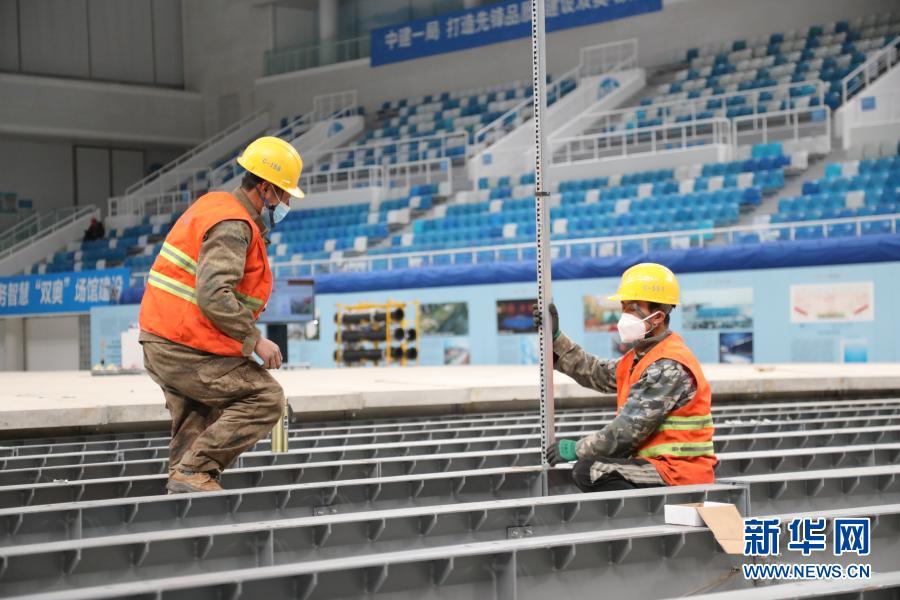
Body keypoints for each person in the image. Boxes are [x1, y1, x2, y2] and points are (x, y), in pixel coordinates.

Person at [138, 136, 305, 494]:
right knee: (265, 398)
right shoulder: (233, 223)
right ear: (265, 188)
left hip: (168, 339)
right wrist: (254, 340)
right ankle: (194, 471)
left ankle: (186, 484)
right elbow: (214, 293)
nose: (287, 204)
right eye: (285, 195)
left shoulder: (214, 205)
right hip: (182, 344)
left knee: (196, 419)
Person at [533, 263, 716, 493]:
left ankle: (650, 514)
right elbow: (598, 373)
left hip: (680, 473)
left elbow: (627, 431)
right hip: (660, 467)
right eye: (624, 307)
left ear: (658, 317)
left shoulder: (667, 364)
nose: (624, 315)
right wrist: (556, 339)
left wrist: (577, 449)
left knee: (591, 471)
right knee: (594, 467)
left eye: (632, 308)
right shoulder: (642, 357)